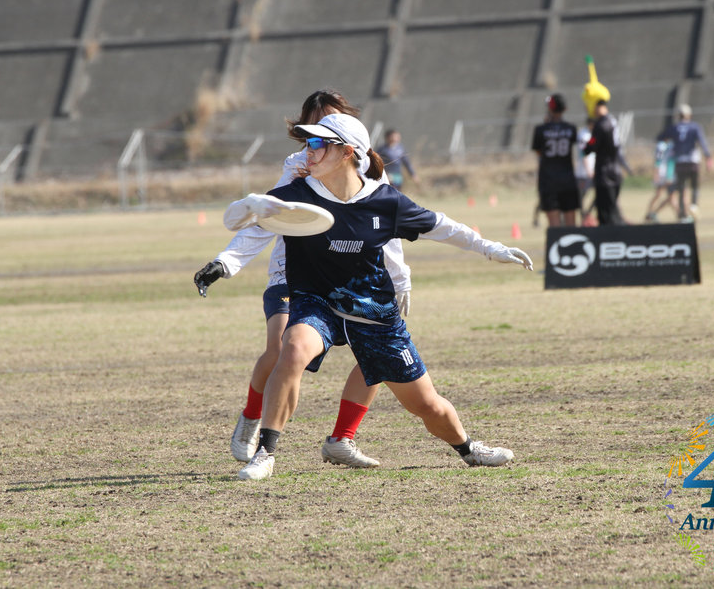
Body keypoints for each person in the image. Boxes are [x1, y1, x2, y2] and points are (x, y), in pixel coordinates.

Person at [224, 113, 532, 481]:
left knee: (428, 405)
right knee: (293, 348)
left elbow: (442, 226)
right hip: (317, 302)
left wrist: (491, 248)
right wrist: (223, 262)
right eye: (307, 143)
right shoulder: (295, 195)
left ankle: (468, 448)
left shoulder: (385, 201)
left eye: (319, 144)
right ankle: (265, 454)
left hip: (373, 311)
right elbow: (252, 226)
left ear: (347, 152)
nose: (308, 151)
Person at [193, 90, 411, 470]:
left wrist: (400, 279)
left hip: (350, 279)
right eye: (317, 124)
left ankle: (342, 438)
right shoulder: (298, 166)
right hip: (293, 276)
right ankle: (253, 419)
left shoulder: (366, 168)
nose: (325, 131)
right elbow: (266, 216)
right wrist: (226, 262)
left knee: (376, 352)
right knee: (283, 350)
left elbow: (383, 227)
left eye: (334, 121)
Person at [656, 104, 713, 223]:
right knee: (695, 186)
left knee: (681, 189)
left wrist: (671, 144)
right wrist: (708, 157)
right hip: (693, 161)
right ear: (689, 115)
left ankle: (683, 215)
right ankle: (694, 205)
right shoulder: (695, 127)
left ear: (679, 116)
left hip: (680, 162)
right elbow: (702, 142)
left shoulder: (674, 127)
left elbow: (660, 137)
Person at [531, 94, 580, 227]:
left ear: (550, 108)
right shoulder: (571, 128)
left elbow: (539, 152)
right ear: (565, 109)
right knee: (571, 224)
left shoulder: (540, 130)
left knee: (554, 225)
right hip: (568, 179)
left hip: (548, 180)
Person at [584, 100, 626, 226]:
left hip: (604, 172)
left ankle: (609, 235)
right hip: (615, 170)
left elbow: (591, 145)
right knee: (613, 207)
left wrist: (587, 146)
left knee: (605, 213)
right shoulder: (613, 121)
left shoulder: (601, 124)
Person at [644, 141, 677, 222]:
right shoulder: (661, 145)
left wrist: (669, 175)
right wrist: (656, 173)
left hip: (669, 174)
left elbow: (671, 161)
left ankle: (652, 214)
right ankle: (650, 213)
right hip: (663, 174)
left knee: (671, 197)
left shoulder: (672, 145)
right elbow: (658, 160)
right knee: (659, 194)